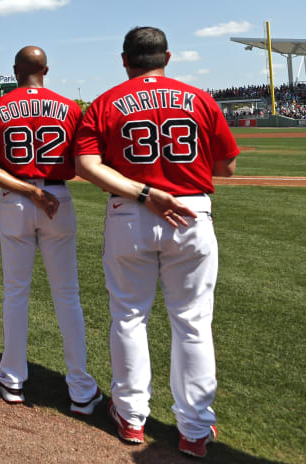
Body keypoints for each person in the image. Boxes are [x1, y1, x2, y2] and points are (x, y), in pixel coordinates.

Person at [75, 27, 240, 458]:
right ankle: (195, 430)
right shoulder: (200, 98)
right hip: (190, 213)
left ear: (124, 59)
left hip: (130, 212)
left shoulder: (106, 101)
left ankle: (130, 416)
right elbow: (226, 166)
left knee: (129, 317)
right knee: (192, 322)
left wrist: (145, 192)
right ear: (167, 56)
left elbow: (87, 165)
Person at [0, 46, 101, 410]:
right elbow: (83, 162)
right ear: (46, 69)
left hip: (14, 198)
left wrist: (28, 190)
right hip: (57, 200)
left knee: (16, 291)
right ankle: (80, 387)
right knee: (67, 294)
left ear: (16, 70)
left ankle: (12, 379)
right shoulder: (71, 108)